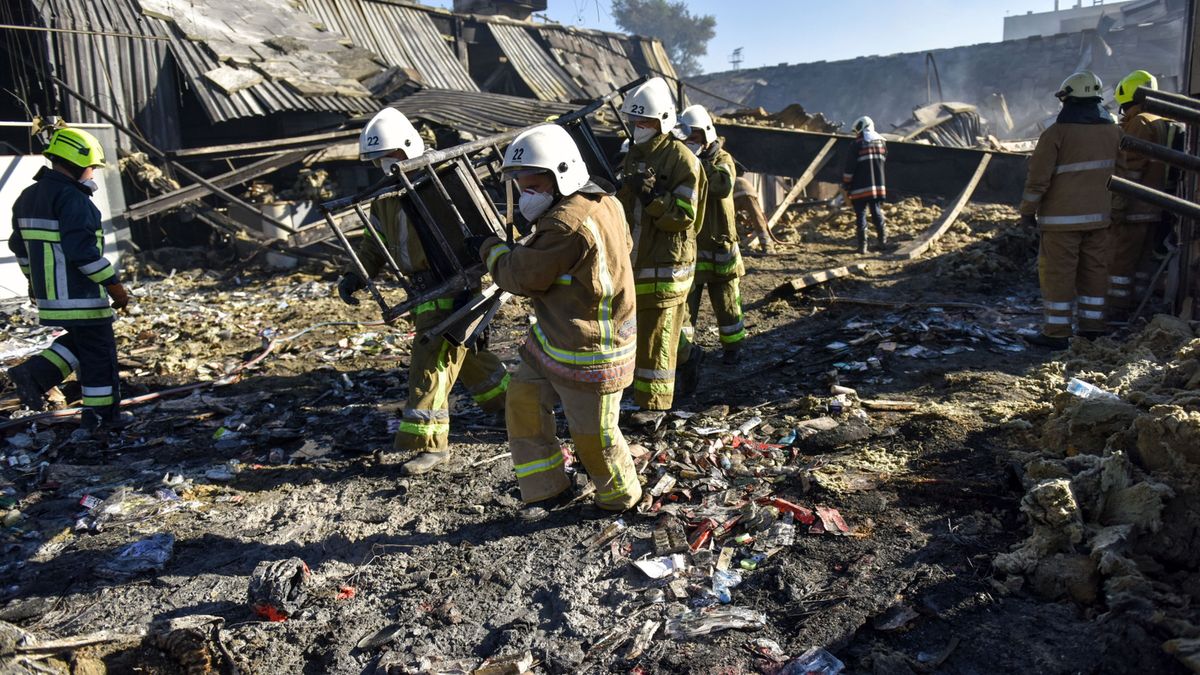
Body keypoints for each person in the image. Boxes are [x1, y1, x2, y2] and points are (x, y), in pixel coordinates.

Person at [474, 124, 642, 512]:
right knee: (523, 400)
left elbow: (520, 276)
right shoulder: (604, 201)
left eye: (533, 184)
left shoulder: (566, 225)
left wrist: (489, 249)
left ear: (562, 176)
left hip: (591, 349)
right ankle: (548, 488)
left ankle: (621, 498)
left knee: (594, 437)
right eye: (520, 184)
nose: (525, 193)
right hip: (556, 337)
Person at [336, 108, 510, 475]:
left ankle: (431, 444)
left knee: (431, 364)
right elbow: (373, 244)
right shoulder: (384, 197)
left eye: (390, 155)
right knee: (465, 355)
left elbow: (476, 227)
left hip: (453, 284)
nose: (385, 165)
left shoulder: (441, 183)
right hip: (422, 290)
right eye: (378, 159)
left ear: (408, 147)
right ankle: (510, 404)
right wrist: (354, 275)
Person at [6, 127, 132, 432]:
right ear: (77, 163)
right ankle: (102, 418)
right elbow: (84, 254)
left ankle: (35, 375)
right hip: (80, 296)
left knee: (81, 343)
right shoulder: (74, 199)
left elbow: (20, 249)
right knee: (99, 355)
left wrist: (33, 284)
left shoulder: (28, 197)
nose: (92, 174)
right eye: (91, 167)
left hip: (51, 297)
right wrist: (115, 286)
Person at [615, 77, 706, 410]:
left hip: (668, 264)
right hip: (637, 259)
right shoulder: (634, 154)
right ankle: (688, 356)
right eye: (635, 120)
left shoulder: (682, 160)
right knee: (652, 330)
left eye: (646, 121)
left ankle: (653, 408)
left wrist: (653, 197)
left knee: (656, 333)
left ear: (663, 121)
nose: (638, 127)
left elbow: (684, 216)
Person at [1019, 71, 1122, 349]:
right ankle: (1092, 329)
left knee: (1058, 275)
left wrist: (1027, 211)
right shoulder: (1115, 132)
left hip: (1060, 223)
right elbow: (1123, 175)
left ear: (1068, 99)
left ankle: (1056, 332)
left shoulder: (1056, 133)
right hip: (1100, 219)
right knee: (1095, 272)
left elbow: (1037, 180)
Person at [679, 104, 748, 365]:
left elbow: (721, 186)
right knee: (685, 306)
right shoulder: (682, 160)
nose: (689, 141)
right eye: (686, 137)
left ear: (707, 135)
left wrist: (695, 162)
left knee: (727, 302)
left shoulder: (723, 160)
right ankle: (685, 353)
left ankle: (733, 348)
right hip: (692, 246)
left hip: (720, 245)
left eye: (694, 137)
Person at [1108, 69, 1178, 320]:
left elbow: (1131, 167)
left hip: (1134, 206)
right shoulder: (1161, 119)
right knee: (1141, 262)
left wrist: (1117, 204)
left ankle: (1116, 307)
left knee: (1121, 260)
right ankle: (1136, 302)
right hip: (1152, 206)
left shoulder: (1140, 122)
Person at [841, 116, 888, 254]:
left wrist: (846, 184)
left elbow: (849, 168)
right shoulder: (882, 143)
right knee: (876, 211)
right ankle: (882, 242)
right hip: (877, 187)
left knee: (860, 215)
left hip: (859, 187)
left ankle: (862, 246)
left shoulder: (856, 145)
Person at [734, 176, 775, 254]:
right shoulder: (740, 179)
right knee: (758, 219)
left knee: (728, 221)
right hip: (750, 192)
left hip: (737, 193)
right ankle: (767, 246)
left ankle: (731, 247)